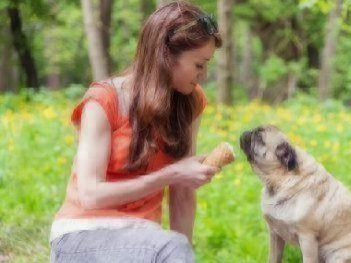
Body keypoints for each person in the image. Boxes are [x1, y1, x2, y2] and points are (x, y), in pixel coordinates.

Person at [49, 1, 222, 262]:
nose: (204, 74)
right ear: (166, 56)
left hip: (146, 241)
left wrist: (181, 251)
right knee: (171, 247)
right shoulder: (103, 100)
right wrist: (171, 174)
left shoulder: (190, 101)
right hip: (82, 234)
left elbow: (182, 195)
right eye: (199, 65)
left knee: (173, 247)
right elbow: (90, 195)